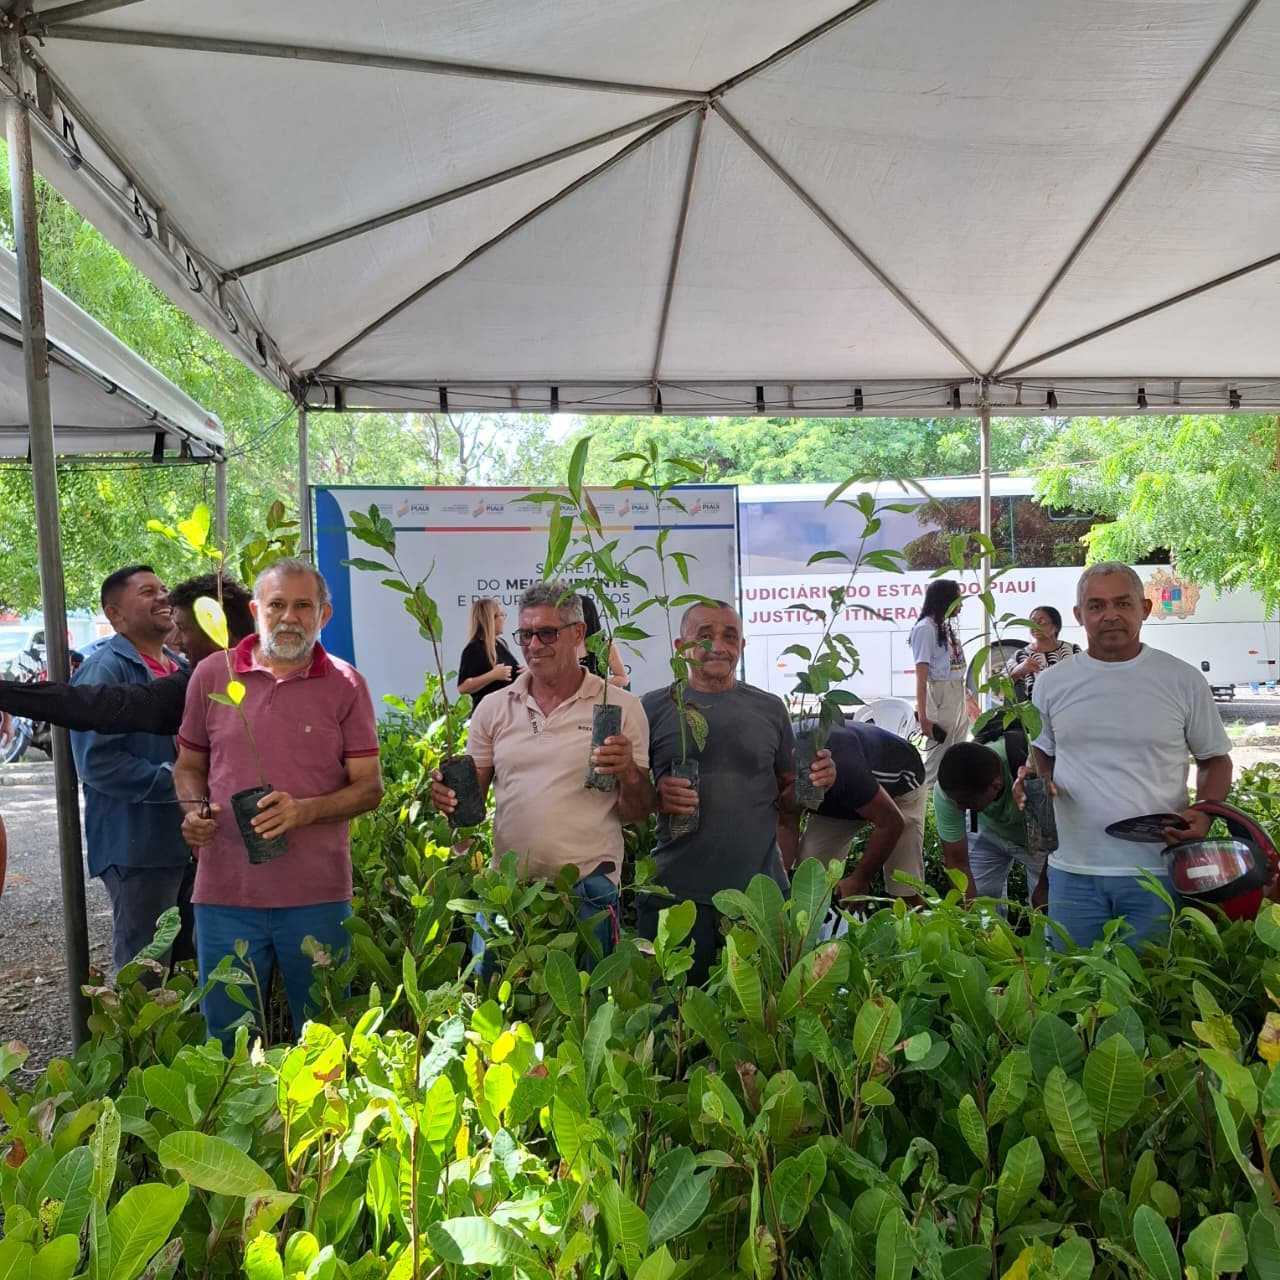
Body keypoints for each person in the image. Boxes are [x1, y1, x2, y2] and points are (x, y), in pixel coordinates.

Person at [174, 558, 383, 1049]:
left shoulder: (346, 685)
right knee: (225, 1039)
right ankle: (227, 1127)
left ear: (324, 615)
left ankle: (322, 1128)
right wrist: (192, 810)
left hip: (317, 896)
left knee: (326, 1039)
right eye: (277, 605)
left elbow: (369, 787)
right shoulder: (211, 675)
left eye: (303, 606)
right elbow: (188, 767)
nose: (289, 617)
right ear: (255, 611)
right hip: (226, 893)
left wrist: (304, 811)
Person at [430, 582, 652, 969]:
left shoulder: (619, 707)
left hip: (589, 889)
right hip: (509, 892)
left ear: (578, 634)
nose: (533, 645)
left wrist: (630, 772)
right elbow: (472, 803)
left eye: (547, 633)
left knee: (586, 1008)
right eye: (525, 634)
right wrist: (449, 799)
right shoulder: (494, 708)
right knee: (495, 1012)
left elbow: (637, 812)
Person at [1024, 562, 1232, 948]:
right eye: (1097, 606)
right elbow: (1042, 749)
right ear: (1078, 615)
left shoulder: (1182, 680)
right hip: (1073, 870)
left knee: (1151, 994)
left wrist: (1205, 812)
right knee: (1075, 989)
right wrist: (1042, 780)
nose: (1110, 615)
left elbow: (1215, 760)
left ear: (1145, 608)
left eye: (1122, 603)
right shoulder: (1052, 684)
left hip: (1157, 868)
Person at [639, 601, 835, 985]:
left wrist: (815, 781)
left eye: (730, 636)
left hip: (758, 895)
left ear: (742, 645)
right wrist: (656, 796)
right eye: (705, 635)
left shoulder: (770, 708)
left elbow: (786, 801)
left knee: (756, 1023)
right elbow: (628, 802)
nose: (719, 645)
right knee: (673, 1023)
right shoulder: (654, 708)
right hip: (675, 893)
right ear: (680, 646)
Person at [69, 565, 192, 977]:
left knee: (188, 963)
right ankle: (140, 1045)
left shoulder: (180, 667)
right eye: (147, 592)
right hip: (138, 846)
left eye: (163, 588)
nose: (162, 597)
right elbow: (97, 762)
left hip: (188, 841)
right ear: (116, 615)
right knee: (147, 970)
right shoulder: (104, 671)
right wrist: (181, 784)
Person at [0, 573, 254, 735]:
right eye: (147, 592)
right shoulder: (195, 682)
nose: (177, 641)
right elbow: (91, 706)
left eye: (184, 629)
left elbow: (95, 706)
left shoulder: (207, 680)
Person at [795, 718, 926, 904]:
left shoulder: (845, 770)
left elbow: (892, 822)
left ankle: (913, 926)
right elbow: (786, 822)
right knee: (810, 874)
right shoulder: (776, 768)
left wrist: (860, 878)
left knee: (903, 879)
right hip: (839, 796)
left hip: (900, 787)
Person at [935, 738, 1042, 912]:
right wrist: (973, 922)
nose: (959, 807)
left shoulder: (1032, 772)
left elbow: (1062, 833)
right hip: (989, 831)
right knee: (979, 901)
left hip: (1038, 840)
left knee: (1046, 911)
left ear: (995, 785)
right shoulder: (951, 790)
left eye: (966, 802)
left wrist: (1045, 884)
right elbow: (956, 861)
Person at [911, 579, 970, 790]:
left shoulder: (943, 627)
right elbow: (921, 675)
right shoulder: (925, 628)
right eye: (957, 599)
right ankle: (928, 804)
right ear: (945, 599)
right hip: (940, 692)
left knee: (957, 748)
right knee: (938, 754)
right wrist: (924, 716)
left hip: (956, 691)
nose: (960, 605)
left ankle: (950, 797)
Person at [456, 598, 520, 708]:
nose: (503, 619)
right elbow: (463, 687)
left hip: (507, 711)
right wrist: (492, 675)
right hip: (489, 714)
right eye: (501, 615)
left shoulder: (500, 644)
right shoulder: (474, 649)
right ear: (491, 619)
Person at [1007, 605, 1078, 700]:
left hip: (1068, 708)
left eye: (1042, 622)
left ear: (1056, 626)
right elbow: (999, 689)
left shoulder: (1072, 650)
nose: (1035, 626)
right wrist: (1019, 670)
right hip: (1034, 712)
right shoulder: (1021, 655)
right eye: (1032, 622)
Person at [577, 594, 629, 687]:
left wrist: (594, 686)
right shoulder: (559, 641)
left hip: (597, 698)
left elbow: (622, 678)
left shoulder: (603, 643)